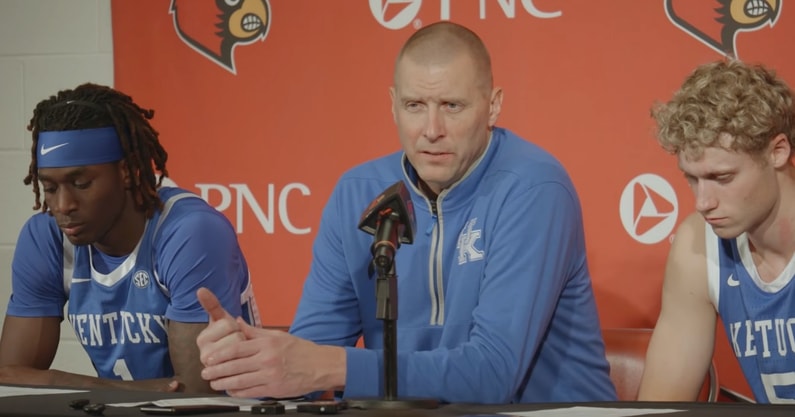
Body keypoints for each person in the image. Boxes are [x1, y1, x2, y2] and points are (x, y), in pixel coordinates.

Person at [195, 21, 616, 403]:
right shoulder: (356, 192)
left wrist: (330, 366)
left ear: (493, 105)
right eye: (415, 105)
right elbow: (309, 358)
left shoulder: (533, 188)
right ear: (393, 105)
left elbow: (493, 374)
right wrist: (252, 363)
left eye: (452, 105)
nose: (432, 130)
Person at [0, 83, 260, 393]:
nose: (62, 205)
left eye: (81, 183)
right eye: (50, 188)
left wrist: (62, 385)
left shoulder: (189, 232)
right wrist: (76, 383)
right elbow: (10, 378)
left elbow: (195, 394)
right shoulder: (47, 237)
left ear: (125, 172)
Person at [639, 59, 795, 403]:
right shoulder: (698, 244)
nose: (703, 202)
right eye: (692, 179)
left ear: (778, 152)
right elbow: (660, 405)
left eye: (722, 178)